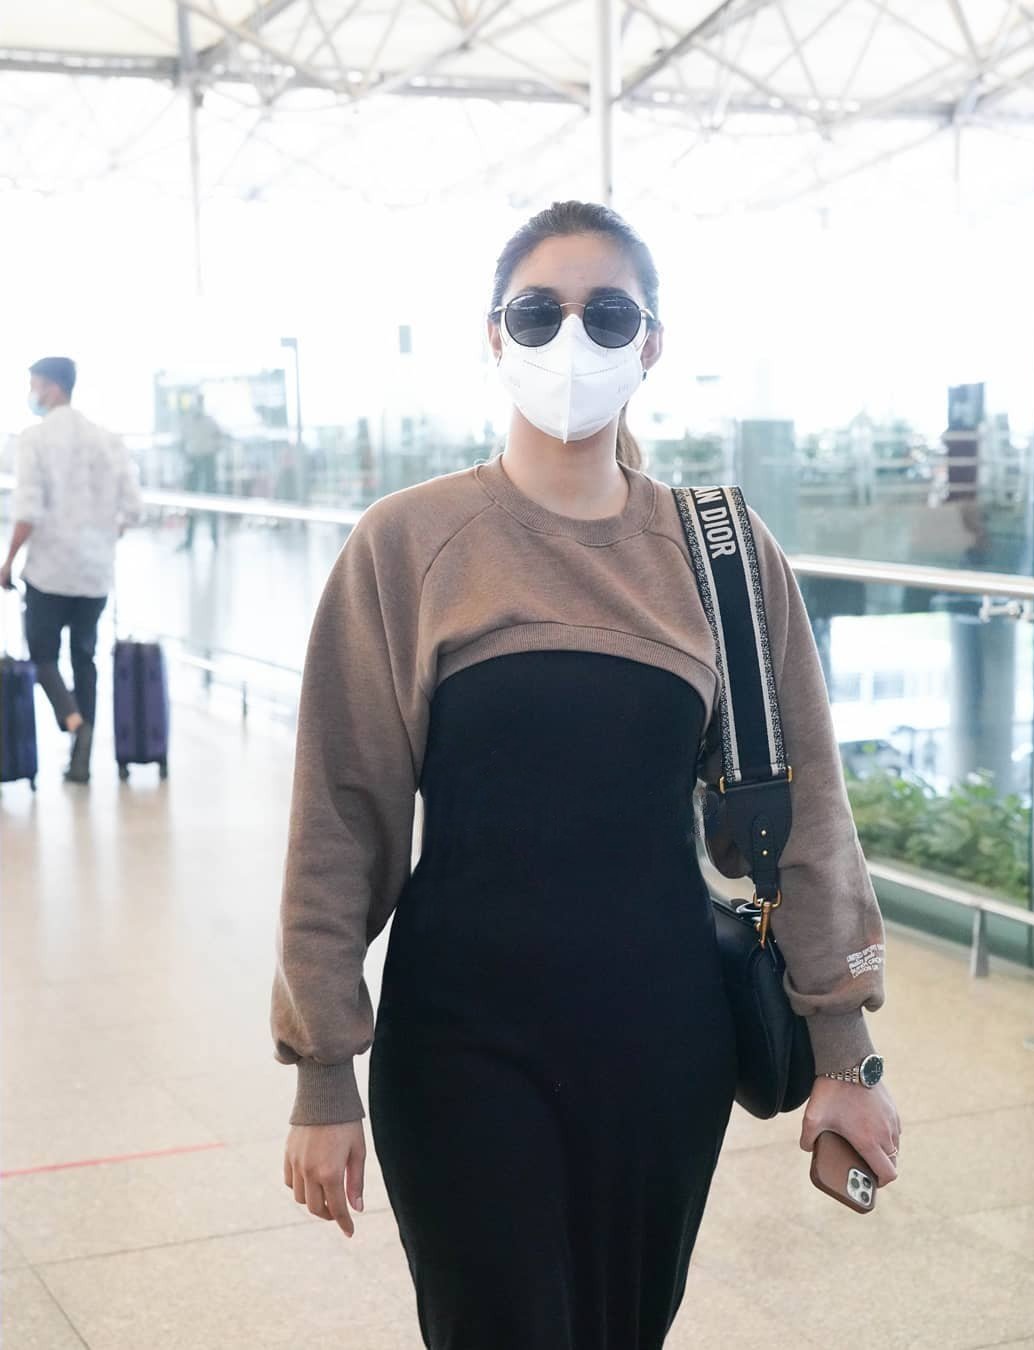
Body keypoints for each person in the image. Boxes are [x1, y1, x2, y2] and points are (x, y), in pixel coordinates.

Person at [270, 201, 901, 1350]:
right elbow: (341, 819)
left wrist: (845, 1057)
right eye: (539, 311)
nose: (574, 337)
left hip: (663, 1043)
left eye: (609, 313)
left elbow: (807, 816)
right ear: (494, 333)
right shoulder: (408, 545)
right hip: (462, 1044)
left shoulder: (720, 554)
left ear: (651, 343)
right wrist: (322, 1071)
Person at [1, 357, 142, 784]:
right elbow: (133, 508)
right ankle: (81, 759)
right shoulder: (107, 440)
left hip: (48, 571)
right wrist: (104, 535)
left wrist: (8, 561)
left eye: (35, 384)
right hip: (95, 574)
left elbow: (28, 509)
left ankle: (73, 722)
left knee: (43, 657)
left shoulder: (35, 439)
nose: (32, 393)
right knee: (85, 658)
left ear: (53, 387)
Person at [176, 392, 222, 549]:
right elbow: (181, 442)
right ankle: (189, 540)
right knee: (191, 502)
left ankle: (215, 538)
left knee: (212, 501)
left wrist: (212, 451)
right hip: (194, 463)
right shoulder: (187, 422)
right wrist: (188, 458)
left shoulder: (210, 421)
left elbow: (219, 439)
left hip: (208, 462)